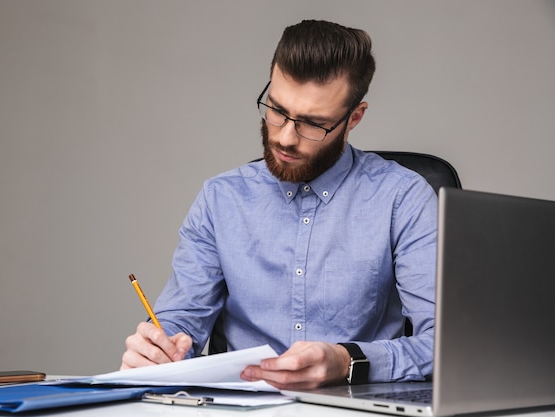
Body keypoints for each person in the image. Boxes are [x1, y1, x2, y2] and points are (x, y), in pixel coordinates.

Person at [121, 20, 436, 390]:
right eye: (277, 109)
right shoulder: (220, 199)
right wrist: (159, 352)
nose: (285, 138)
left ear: (354, 118)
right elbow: (179, 327)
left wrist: (348, 360)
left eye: (313, 124)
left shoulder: (404, 198)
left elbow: (448, 345)